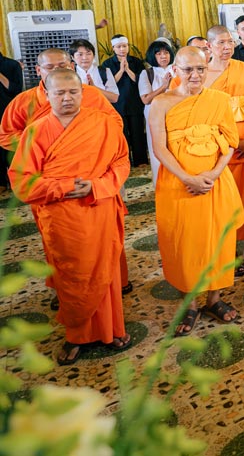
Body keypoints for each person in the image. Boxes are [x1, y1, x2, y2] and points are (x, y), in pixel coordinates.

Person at [8, 69, 131, 365]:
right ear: (47, 95)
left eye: (73, 92)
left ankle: (111, 329)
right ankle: (76, 335)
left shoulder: (102, 123)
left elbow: (121, 162)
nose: (67, 98)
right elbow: (22, 180)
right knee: (71, 275)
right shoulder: (35, 131)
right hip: (61, 217)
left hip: (99, 207)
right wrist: (64, 187)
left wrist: (97, 186)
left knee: (105, 272)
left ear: (84, 93)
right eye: (59, 93)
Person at [149, 47, 244, 335]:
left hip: (215, 182)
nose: (195, 75)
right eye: (188, 69)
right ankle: (189, 304)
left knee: (219, 240)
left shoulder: (219, 99)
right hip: (179, 185)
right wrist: (186, 178)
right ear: (175, 70)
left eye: (200, 69)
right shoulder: (161, 103)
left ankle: (215, 299)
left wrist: (214, 173)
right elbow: (159, 148)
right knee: (185, 243)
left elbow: (230, 141)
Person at [203, 25, 244, 275]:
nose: (227, 47)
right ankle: (227, 253)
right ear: (209, 46)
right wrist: (226, 144)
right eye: (221, 43)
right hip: (217, 148)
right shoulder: (203, 74)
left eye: (230, 42)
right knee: (223, 202)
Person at [101, 34, 148, 166]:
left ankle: (141, 161)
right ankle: (124, 161)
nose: (122, 49)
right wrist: (121, 70)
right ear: (113, 48)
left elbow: (140, 81)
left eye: (124, 46)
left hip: (135, 103)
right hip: (118, 104)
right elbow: (108, 84)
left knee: (138, 132)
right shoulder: (107, 64)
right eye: (119, 47)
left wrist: (127, 69)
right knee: (122, 134)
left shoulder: (136, 62)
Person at [138, 40, 176, 188]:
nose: (163, 56)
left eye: (166, 52)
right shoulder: (147, 73)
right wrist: (164, 86)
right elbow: (146, 99)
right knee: (158, 150)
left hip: (175, 114)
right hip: (155, 116)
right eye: (159, 53)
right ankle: (161, 183)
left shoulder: (177, 69)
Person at [0, 47, 24, 190]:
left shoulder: (11, 65)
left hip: (7, 112)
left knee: (10, 147)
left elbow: (15, 90)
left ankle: (16, 181)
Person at [70, 39, 118, 104]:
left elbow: (114, 98)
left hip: (101, 112)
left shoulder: (104, 71)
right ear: (73, 57)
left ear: (93, 56)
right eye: (80, 54)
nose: (85, 58)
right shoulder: (69, 74)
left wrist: (94, 88)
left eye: (88, 53)